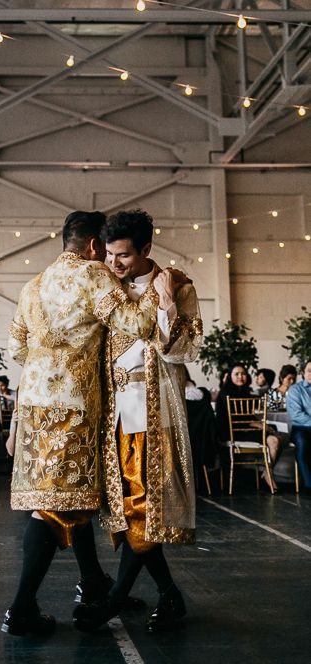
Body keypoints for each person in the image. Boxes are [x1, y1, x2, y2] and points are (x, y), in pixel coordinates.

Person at [2, 209, 162, 637]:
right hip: (72, 406)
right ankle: (20, 609)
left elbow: (17, 347)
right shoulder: (93, 277)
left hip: (35, 403)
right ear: (93, 246)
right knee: (54, 506)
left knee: (73, 498)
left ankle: (92, 581)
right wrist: (159, 286)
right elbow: (140, 324)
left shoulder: (32, 285)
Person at [73, 209, 203, 633]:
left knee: (144, 510)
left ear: (146, 249)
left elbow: (183, 351)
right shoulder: (108, 289)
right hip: (114, 415)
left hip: (154, 413)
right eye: (110, 254)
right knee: (131, 512)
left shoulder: (179, 287)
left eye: (124, 256)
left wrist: (165, 300)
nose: (114, 264)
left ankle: (113, 601)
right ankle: (169, 595)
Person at [216, 364, 282, 491]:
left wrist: (260, 424)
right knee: (273, 438)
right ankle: (268, 473)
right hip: (231, 432)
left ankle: (268, 472)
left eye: (243, 374)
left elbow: (248, 416)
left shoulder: (245, 391)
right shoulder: (225, 392)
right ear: (230, 376)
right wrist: (257, 424)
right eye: (236, 374)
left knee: (275, 438)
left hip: (245, 429)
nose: (241, 376)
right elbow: (235, 419)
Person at [286, 360, 311, 493]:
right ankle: (308, 484)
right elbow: (296, 415)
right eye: (309, 370)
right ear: (304, 373)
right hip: (302, 428)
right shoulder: (295, 389)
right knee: (303, 445)